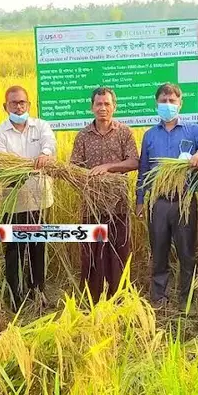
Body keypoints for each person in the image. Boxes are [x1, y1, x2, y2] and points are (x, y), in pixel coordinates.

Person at [136, 82, 198, 309]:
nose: (168, 105)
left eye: (172, 101)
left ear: (180, 104)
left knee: (186, 251)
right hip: (158, 202)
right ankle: (159, 297)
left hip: (184, 200)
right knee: (159, 249)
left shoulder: (194, 131)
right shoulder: (150, 135)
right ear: (157, 104)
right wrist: (141, 200)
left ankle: (187, 297)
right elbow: (144, 170)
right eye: (163, 101)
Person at [0, 85, 58, 310]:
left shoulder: (41, 127)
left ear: (29, 105)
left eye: (22, 103)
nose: (19, 107)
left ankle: (38, 292)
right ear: (5, 107)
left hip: (39, 198)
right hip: (13, 201)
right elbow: (1, 163)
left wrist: (45, 154)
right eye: (14, 103)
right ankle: (16, 297)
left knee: (38, 247)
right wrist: (29, 165)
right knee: (14, 250)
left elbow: (49, 144)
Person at [69, 87, 139, 304]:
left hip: (118, 206)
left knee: (118, 254)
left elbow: (134, 162)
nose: (102, 108)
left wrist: (107, 167)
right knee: (91, 255)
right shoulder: (82, 136)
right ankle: (92, 300)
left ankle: (118, 299)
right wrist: (86, 178)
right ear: (92, 107)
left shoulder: (124, 132)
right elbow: (73, 167)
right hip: (92, 207)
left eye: (107, 104)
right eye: (98, 104)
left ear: (114, 107)